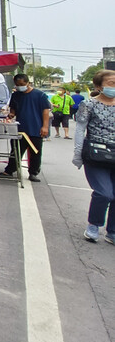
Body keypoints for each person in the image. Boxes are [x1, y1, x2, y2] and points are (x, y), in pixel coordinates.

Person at [72, 70, 115, 243]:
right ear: (99, 86)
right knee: (104, 193)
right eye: (111, 83)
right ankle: (94, 225)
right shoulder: (88, 105)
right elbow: (81, 129)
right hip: (96, 154)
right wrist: (78, 154)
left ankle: (112, 231)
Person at [0, 74, 51, 182]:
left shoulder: (40, 95)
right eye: (17, 85)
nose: (19, 86)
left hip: (35, 128)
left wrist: (45, 127)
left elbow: (46, 112)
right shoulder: (16, 95)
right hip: (19, 129)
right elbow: (13, 110)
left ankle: (33, 173)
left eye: (21, 84)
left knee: (35, 152)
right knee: (16, 150)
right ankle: (9, 170)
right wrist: (11, 115)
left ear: (28, 83)